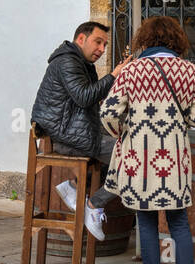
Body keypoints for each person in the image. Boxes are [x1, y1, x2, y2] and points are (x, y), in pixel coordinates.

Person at [99, 15, 195, 264]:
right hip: (174, 158)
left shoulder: (131, 71)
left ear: (145, 39)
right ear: (177, 39)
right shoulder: (189, 71)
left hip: (140, 157)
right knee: (179, 221)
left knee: (146, 219)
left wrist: (122, 133)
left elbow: (108, 113)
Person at [30, 20, 128, 242]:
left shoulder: (80, 63)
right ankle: (94, 203)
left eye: (104, 44)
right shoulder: (67, 62)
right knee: (131, 154)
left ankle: (74, 187)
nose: (102, 49)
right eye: (98, 42)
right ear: (81, 39)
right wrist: (113, 76)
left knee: (123, 144)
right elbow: (84, 97)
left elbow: (90, 98)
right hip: (66, 138)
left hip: (72, 132)